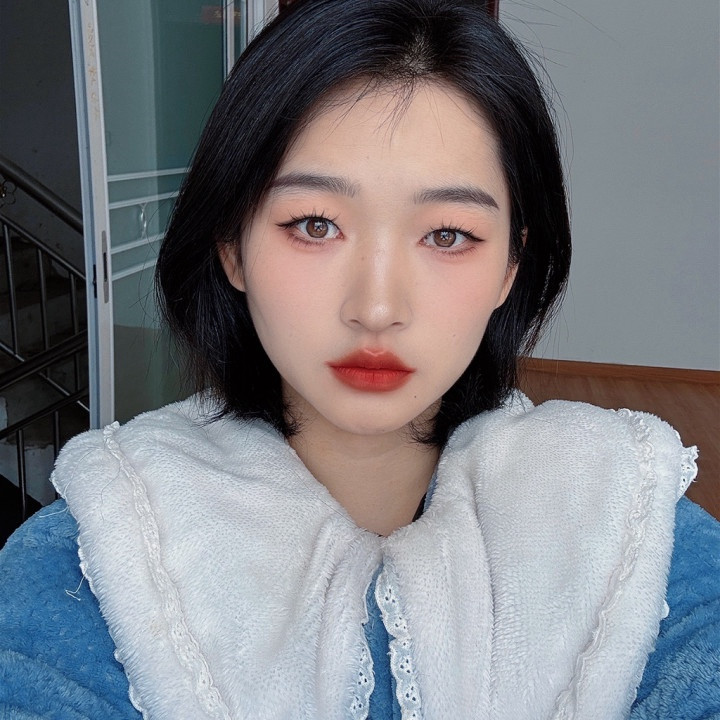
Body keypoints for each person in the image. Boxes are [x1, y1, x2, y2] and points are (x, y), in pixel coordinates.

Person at [1, 0, 718, 718]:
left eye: (446, 234)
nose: (376, 308)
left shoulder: (625, 522)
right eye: (315, 225)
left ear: (510, 267)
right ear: (232, 246)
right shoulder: (108, 544)